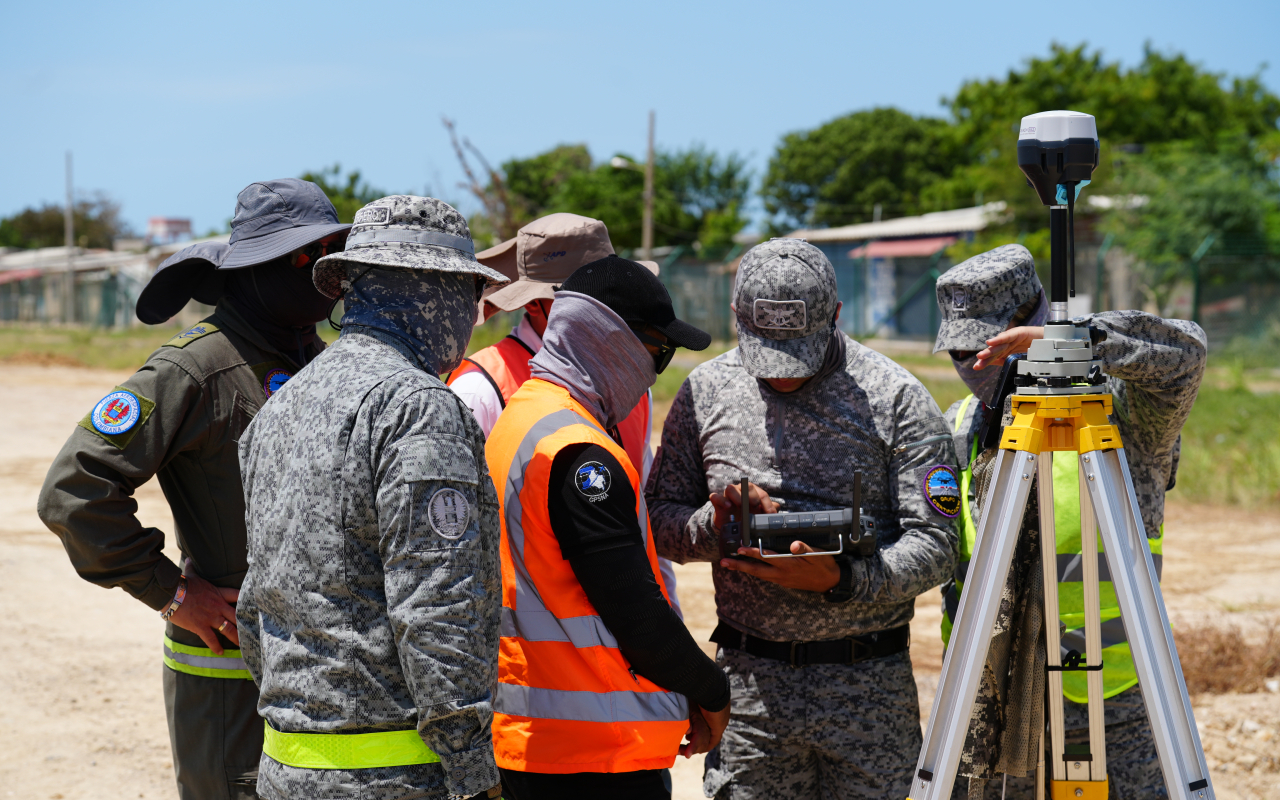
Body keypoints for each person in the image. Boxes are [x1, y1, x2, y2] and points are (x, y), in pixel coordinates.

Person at [37, 178, 351, 800]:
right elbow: (73, 491)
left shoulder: (328, 362)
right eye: (301, 258)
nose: (321, 273)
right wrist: (172, 592)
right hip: (228, 674)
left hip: (324, 670)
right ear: (254, 268)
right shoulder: (194, 369)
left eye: (329, 253)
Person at [646, 238, 959, 800]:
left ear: (836, 316)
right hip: (749, 694)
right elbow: (659, 521)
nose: (783, 377)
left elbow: (938, 543)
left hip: (868, 692)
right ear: (738, 319)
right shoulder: (704, 392)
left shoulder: (896, 397)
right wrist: (713, 526)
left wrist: (844, 579)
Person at [235, 195, 508, 800]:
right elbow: (438, 604)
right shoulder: (417, 408)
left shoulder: (281, 405)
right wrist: (469, 766)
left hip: (288, 765)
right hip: (394, 778)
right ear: (431, 293)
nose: (473, 315)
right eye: (469, 294)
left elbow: (257, 599)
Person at [933, 244, 1208, 799]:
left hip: (1116, 703)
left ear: (1030, 324)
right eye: (959, 352)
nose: (973, 365)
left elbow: (1187, 353)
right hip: (991, 710)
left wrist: (1076, 339)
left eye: (986, 345)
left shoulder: (1120, 414)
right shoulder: (960, 428)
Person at [485, 256, 730, 800]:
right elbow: (633, 610)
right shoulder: (578, 452)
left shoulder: (524, 416)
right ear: (611, 342)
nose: (655, 370)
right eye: (658, 351)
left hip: (535, 737)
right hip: (594, 752)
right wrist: (710, 690)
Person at [447, 212, 682, 616]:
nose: (613, 303)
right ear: (537, 302)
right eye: (594, 292)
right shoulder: (480, 389)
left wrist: (671, 618)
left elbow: (641, 524)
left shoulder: (632, 386)